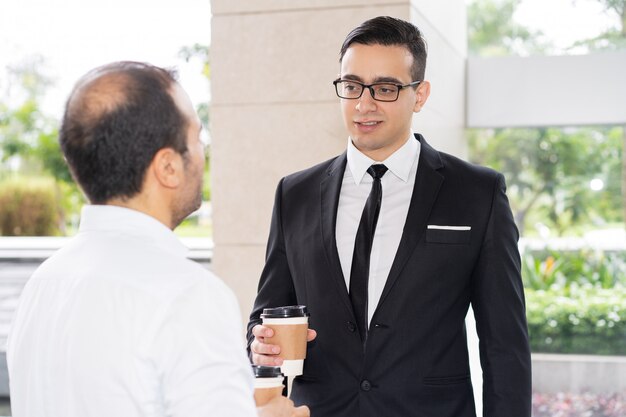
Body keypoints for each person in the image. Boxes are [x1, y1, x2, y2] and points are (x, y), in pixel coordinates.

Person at [248, 16, 531, 417]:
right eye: (351, 86)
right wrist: (260, 342)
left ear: (420, 94)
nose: (364, 104)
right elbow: (268, 311)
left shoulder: (477, 192)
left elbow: (505, 345)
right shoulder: (294, 193)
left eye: (385, 88)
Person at [7, 61, 308, 417]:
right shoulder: (190, 296)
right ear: (168, 166)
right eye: (197, 137)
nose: (203, 153)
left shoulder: (42, 284)